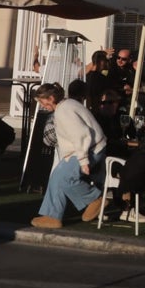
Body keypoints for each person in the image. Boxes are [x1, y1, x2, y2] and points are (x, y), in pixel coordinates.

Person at [30, 83, 107, 229]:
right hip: (85, 149)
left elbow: (81, 135)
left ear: (51, 98)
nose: (42, 105)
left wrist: (83, 161)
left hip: (89, 149)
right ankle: (52, 216)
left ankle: (94, 199)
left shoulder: (63, 111)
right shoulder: (67, 105)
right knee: (57, 175)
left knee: (65, 177)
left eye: (42, 102)